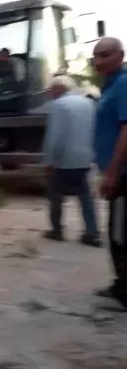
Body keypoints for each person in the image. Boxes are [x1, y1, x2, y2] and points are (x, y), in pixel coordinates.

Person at [42, 75, 100, 246]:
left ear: (59, 88)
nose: (50, 93)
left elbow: (56, 137)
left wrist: (50, 160)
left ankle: (57, 230)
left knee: (55, 195)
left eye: (51, 89)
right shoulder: (88, 103)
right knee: (86, 197)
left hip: (65, 159)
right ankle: (92, 232)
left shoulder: (59, 105)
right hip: (86, 158)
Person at [92, 37, 127, 302]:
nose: (100, 61)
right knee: (117, 231)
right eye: (96, 55)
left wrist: (113, 172)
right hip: (117, 172)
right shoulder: (110, 85)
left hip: (124, 175)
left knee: (120, 234)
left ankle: (124, 294)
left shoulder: (124, 83)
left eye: (106, 55)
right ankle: (119, 285)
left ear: (120, 55)